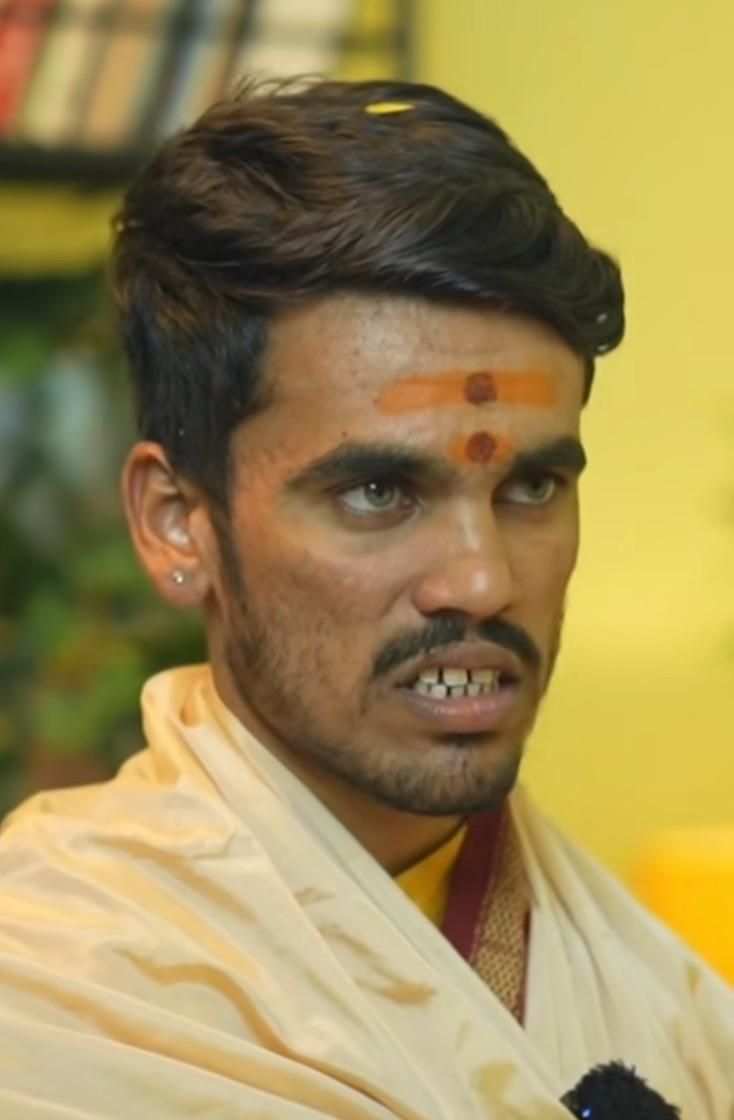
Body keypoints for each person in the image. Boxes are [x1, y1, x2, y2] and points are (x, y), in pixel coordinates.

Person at [0, 78, 731, 1120]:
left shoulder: (670, 1011)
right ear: (177, 522)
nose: (482, 580)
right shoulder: (50, 996)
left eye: (531, 487)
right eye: (379, 492)